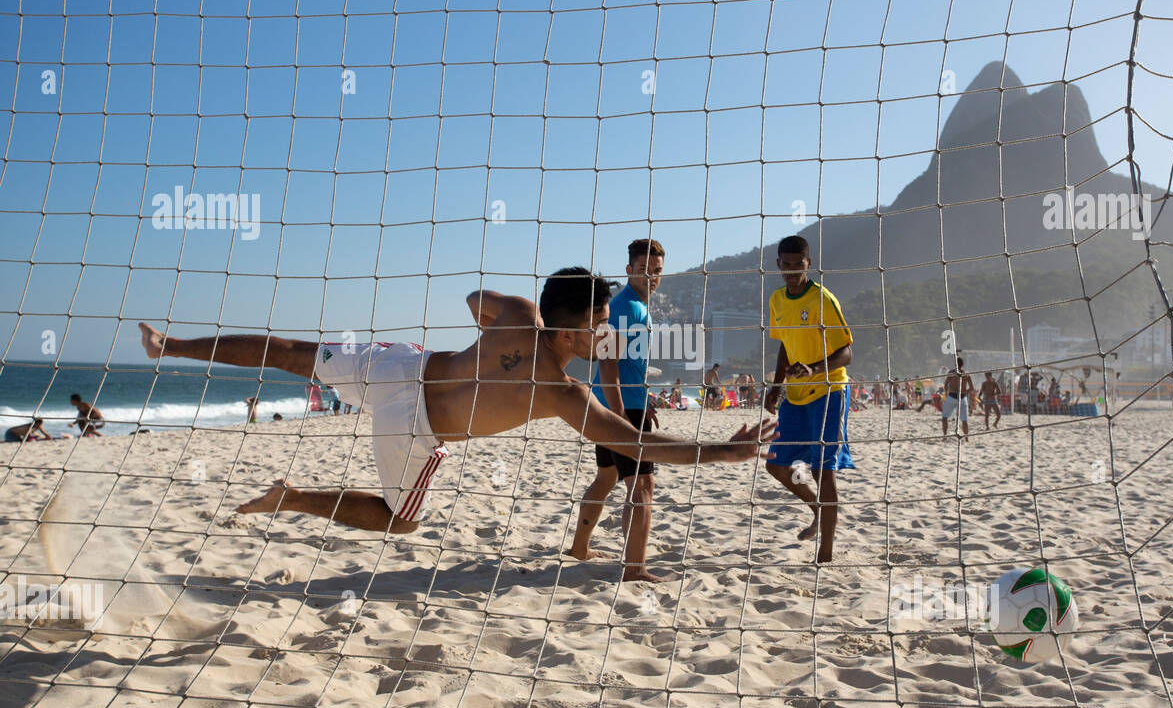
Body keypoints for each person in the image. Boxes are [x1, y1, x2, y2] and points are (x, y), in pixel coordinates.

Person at [137, 267, 772, 537]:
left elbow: (475, 300)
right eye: (602, 323)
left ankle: (169, 345)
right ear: (576, 329)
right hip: (412, 426)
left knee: (290, 353)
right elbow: (632, 441)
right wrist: (724, 452)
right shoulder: (561, 393)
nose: (608, 334)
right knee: (402, 520)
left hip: (400, 365)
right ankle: (293, 497)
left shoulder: (521, 315)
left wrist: (495, 334)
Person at [568, 238, 666, 582]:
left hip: (618, 402)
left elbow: (629, 364)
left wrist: (644, 401)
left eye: (656, 271)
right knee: (643, 486)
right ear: (629, 271)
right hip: (620, 406)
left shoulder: (636, 306)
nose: (651, 277)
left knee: (607, 477)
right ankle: (635, 567)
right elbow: (608, 364)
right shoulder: (625, 307)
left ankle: (580, 548)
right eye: (643, 270)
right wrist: (622, 416)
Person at [763, 235, 854, 563]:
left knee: (823, 469)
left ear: (808, 265)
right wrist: (777, 386)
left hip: (829, 391)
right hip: (796, 395)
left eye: (797, 266)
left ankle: (825, 555)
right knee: (776, 464)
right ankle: (819, 510)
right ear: (777, 265)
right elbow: (785, 345)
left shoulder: (823, 299)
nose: (790, 271)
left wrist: (814, 368)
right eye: (785, 266)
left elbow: (847, 352)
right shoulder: (776, 299)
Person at [942, 358, 976, 439]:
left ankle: (945, 436)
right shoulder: (966, 374)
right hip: (962, 397)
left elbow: (946, 385)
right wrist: (965, 392)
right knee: (964, 420)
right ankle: (966, 438)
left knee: (945, 417)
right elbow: (971, 388)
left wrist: (946, 393)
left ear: (955, 364)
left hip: (952, 396)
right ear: (962, 365)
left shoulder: (951, 373)